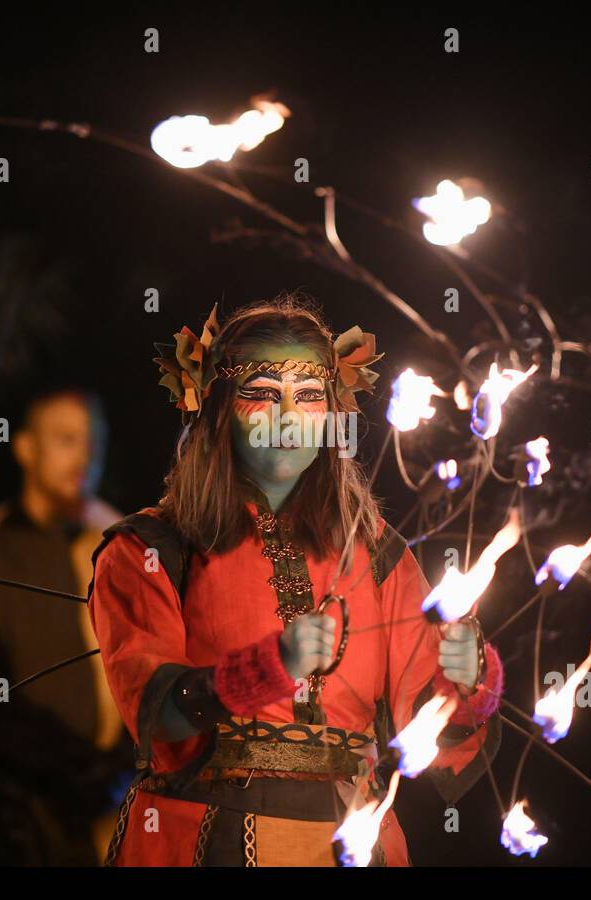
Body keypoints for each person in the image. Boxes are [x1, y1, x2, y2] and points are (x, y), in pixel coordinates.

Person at [88, 293, 504, 867]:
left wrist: (469, 681)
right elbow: (154, 711)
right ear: (216, 406)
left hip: (354, 842)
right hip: (201, 842)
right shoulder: (151, 548)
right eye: (262, 394)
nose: (287, 418)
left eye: (308, 396)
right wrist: (266, 669)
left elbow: (432, 736)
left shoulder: (377, 551)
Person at [0, 386, 129, 865]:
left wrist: (124, 762)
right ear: (25, 448)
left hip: (115, 812)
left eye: (93, 441)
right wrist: (81, 769)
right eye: (65, 439)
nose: (84, 455)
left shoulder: (124, 546)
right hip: (18, 821)